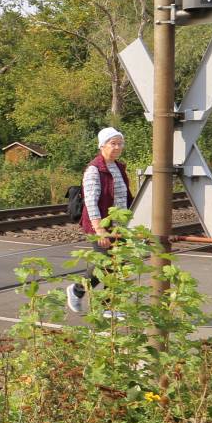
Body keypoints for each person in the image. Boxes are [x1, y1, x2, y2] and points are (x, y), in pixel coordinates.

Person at [66, 126, 131, 317]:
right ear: (102, 145)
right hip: (101, 225)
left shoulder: (118, 167)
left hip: (119, 226)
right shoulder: (94, 169)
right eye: (113, 143)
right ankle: (77, 290)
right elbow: (91, 203)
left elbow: (123, 197)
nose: (117, 147)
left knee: (117, 264)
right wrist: (100, 230)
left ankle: (108, 308)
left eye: (120, 143)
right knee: (104, 263)